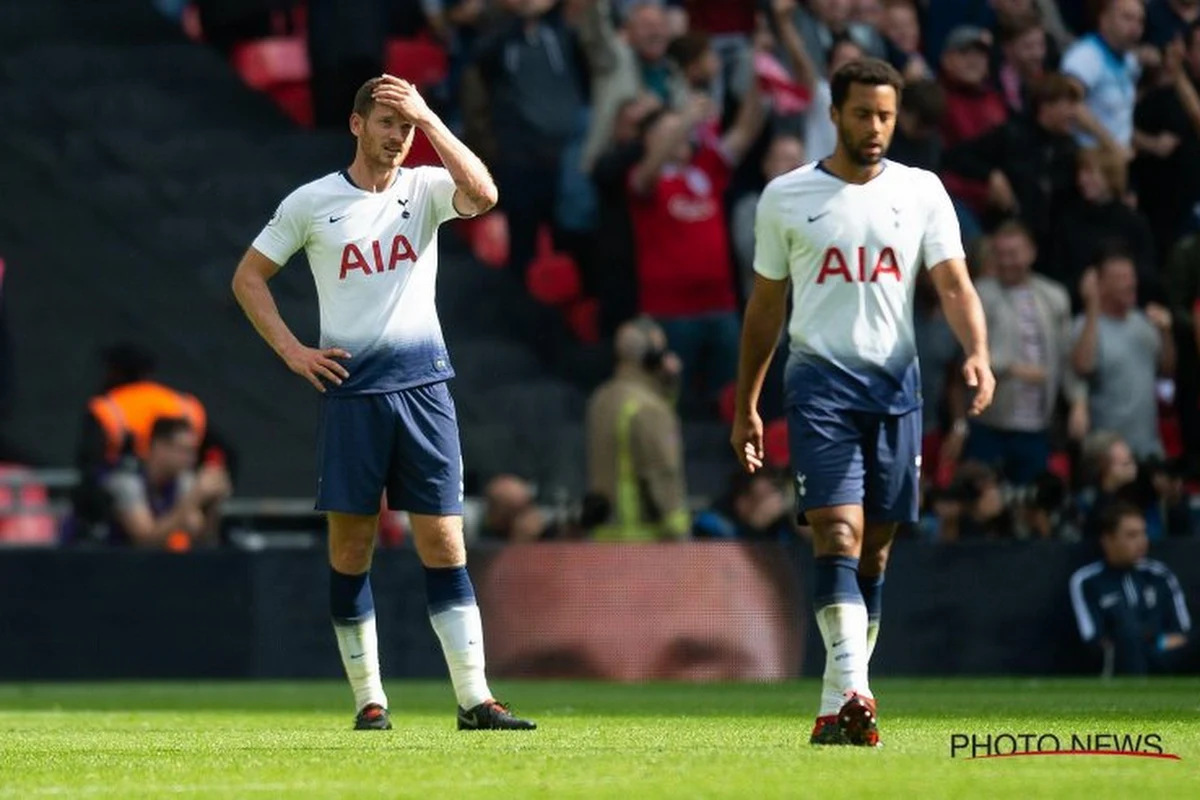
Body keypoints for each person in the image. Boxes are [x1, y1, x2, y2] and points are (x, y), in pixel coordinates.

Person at [231, 75, 536, 732]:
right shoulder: (313, 203)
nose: (397, 137)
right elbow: (249, 276)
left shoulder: (423, 187)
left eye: (405, 126)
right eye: (387, 123)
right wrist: (292, 350)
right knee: (351, 546)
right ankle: (370, 699)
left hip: (424, 387)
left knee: (444, 540)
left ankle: (474, 699)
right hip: (353, 393)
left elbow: (483, 194)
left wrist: (430, 118)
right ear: (356, 124)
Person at [731, 58, 994, 747]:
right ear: (834, 113)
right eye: (861, 114)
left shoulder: (922, 191)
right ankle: (856, 688)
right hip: (818, 387)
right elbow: (766, 309)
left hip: (895, 390)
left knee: (874, 553)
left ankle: (834, 705)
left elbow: (956, 285)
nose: (874, 127)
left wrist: (976, 351)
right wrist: (748, 401)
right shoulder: (786, 196)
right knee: (838, 535)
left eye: (885, 115)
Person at [585, 317, 689, 541]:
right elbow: (663, 474)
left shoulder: (601, 398)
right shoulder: (649, 408)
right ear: (652, 358)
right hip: (644, 542)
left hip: (605, 537)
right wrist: (681, 535)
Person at [1069, 502, 1191, 676]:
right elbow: (1094, 640)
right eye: (1132, 535)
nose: (1142, 541)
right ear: (1108, 540)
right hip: (1120, 662)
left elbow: (1182, 633)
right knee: (1127, 634)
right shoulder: (1086, 581)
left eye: (1143, 533)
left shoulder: (1161, 576)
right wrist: (1134, 637)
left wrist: (1153, 642)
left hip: (1166, 658)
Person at [103, 416, 231, 550]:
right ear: (159, 447)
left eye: (193, 452)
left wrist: (213, 506)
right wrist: (194, 498)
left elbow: (202, 540)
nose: (191, 459)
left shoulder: (184, 482)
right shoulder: (127, 482)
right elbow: (146, 541)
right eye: (184, 451)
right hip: (121, 563)